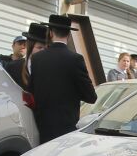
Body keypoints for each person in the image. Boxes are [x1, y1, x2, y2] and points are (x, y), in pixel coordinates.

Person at [28, 13, 95, 142]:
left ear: (51, 33)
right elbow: (90, 96)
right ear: (69, 35)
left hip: (42, 127)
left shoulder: (37, 58)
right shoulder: (76, 59)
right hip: (66, 128)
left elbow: (32, 91)